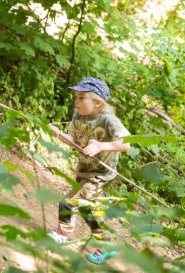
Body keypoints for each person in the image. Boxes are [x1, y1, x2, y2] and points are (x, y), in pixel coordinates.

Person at [48, 77, 130, 265]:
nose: (76, 102)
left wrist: (102, 146)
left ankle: (62, 234)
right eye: (76, 97)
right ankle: (107, 245)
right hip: (84, 170)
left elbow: (127, 143)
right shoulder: (78, 116)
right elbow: (73, 140)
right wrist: (59, 134)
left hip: (100, 173)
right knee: (86, 209)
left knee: (69, 202)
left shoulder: (108, 119)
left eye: (81, 98)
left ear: (97, 103)